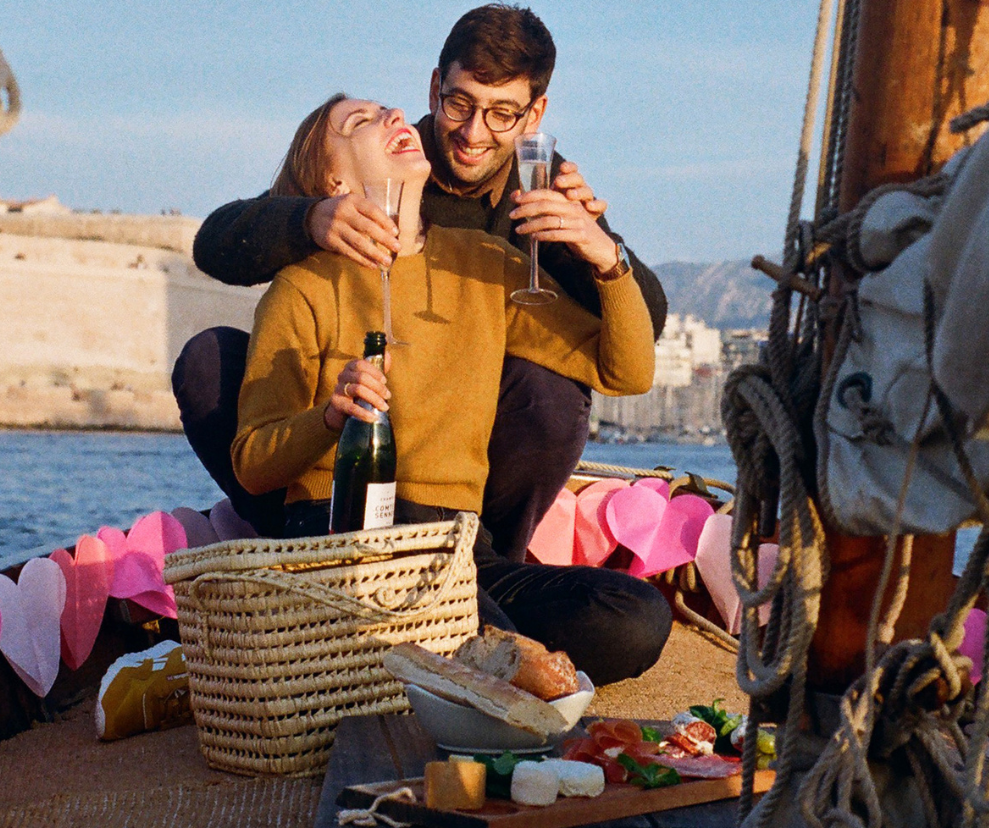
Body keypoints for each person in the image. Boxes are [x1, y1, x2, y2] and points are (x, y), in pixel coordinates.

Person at [179, 4, 666, 559]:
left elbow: (640, 340)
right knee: (208, 360)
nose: (473, 133)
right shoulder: (381, 161)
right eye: (460, 104)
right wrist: (308, 217)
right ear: (436, 88)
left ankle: (489, 561)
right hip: (336, 444)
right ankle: (296, 540)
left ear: (535, 116)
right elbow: (215, 244)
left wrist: (590, 247)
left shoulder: (547, 186)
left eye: (502, 113)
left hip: (457, 468)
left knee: (553, 393)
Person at [222, 93, 670, 684]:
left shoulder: (485, 264)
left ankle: (455, 656)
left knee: (636, 617)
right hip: (344, 541)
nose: (393, 119)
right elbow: (253, 464)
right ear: (333, 180)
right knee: (465, 624)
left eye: (390, 112)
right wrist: (329, 418)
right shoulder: (302, 288)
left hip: (459, 549)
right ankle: (487, 661)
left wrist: (605, 257)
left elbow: (626, 373)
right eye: (361, 121)